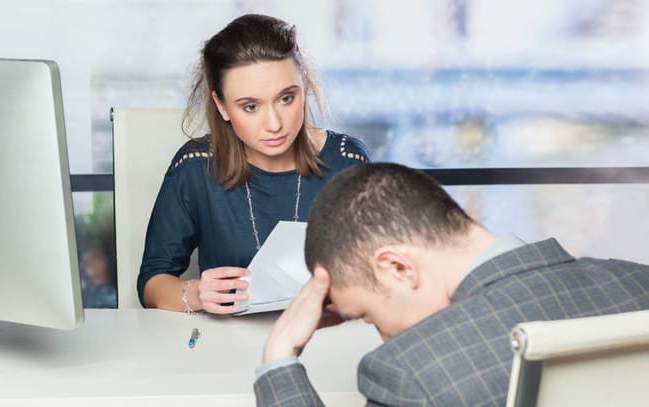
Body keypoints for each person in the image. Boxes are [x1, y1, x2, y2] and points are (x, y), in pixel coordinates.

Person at [254, 163, 649, 406]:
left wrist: (279, 361)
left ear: (398, 266)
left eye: (369, 316)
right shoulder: (639, 283)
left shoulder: (411, 372)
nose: (385, 338)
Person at [138, 14, 370, 314]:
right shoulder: (196, 167)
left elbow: (376, 276)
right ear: (221, 105)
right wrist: (196, 294)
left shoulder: (346, 161)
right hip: (227, 344)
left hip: (325, 337)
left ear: (305, 88)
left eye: (286, 98)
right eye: (250, 106)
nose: (274, 124)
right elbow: (151, 283)